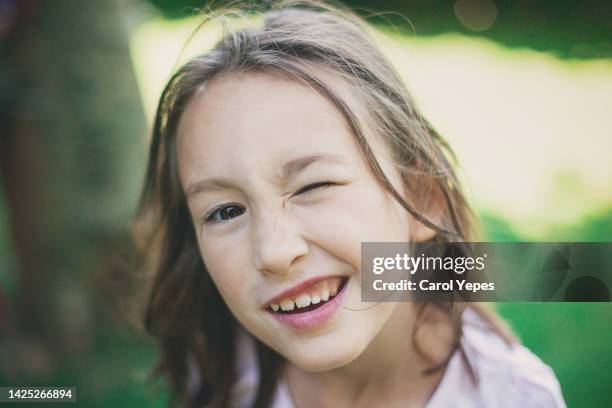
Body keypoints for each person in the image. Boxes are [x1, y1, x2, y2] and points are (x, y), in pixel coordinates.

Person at [135, 1, 566, 406]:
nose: (275, 252)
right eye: (225, 211)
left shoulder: (515, 396)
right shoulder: (221, 374)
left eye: (313, 185)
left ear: (422, 195)